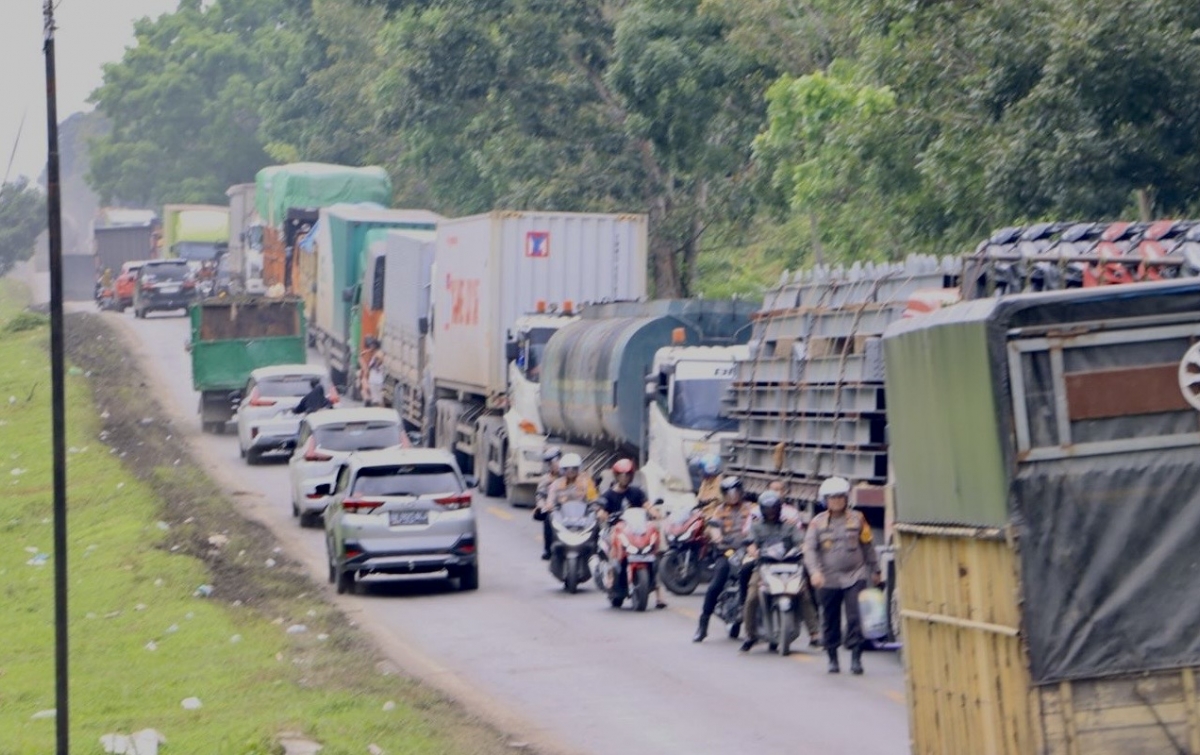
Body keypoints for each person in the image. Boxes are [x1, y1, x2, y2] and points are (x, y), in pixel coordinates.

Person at [804, 476, 882, 675]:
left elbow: (868, 546)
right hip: (827, 578)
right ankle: (832, 657)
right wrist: (814, 572)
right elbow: (810, 550)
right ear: (825, 500)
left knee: (855, 617)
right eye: (832, 497)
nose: (837, 501)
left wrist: (876, 570)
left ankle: (856, 657)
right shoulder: (817, 523)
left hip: (854, 576)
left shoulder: (858, 519)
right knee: (830, 619)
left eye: (840, 497)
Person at [739, 491, 816, 652]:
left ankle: (814, 633)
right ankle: (750, 634)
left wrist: (804, 549)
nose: (771, 513)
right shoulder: (756, 527)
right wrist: (754, 552)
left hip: (790, 566)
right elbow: (751, 543)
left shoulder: (789, 526)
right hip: (764, 567)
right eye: (767, 510)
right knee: (752, 596)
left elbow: (801, 542)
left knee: (803, 592)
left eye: (773, 509)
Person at [598, 459, 667, 609]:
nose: (624, 477)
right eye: (621, 474)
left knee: (653, 555)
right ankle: (611, 575)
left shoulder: (637, 492)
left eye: (628, 474)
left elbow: (647, 505)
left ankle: (659, 595)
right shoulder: (609, 495)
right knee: (612, 549)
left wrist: (654, 513)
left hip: (636, 530)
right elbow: (601, 510)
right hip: (617, 530)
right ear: (616, 476)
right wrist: (603, 515)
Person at [693, 475, 754, 642]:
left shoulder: (751, 508)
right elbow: (713, 527)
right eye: (728, 492)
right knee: (716, 584)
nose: (733, 495)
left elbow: (760, 523)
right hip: (726, 552)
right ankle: (703, 625)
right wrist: (718, 538)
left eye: (735, 491)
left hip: (748, 551)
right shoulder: (719, 511)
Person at [540, 452, 597, 559]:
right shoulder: (556, 483)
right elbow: (550, 499)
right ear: (563, 470)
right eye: (567, 468)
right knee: (548, 519)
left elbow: (593, 498)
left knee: (596, 520)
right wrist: (548, 506)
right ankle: (548, 549)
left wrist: (595, 507)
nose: (570, 471)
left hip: (582, 515)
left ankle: (595, 550)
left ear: (578, 469)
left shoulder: (586, 482)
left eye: (574, 468)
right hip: (563, 514)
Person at [535, 447, 563, 559]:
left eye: (556, 460)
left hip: (570, 508)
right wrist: (542, 505)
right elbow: (540, 495)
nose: (554, 464)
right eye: (551, 463)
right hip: (554, 508)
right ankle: (548, 549)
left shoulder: (570, 475)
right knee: (548, 519)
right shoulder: (546, 479)